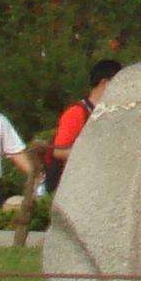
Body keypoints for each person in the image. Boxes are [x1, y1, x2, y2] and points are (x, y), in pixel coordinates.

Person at [46, 58, 120, 192]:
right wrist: (96, 153)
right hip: (72, 189)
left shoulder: (111, 112)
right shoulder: (77, 113)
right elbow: (59, 151)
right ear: (104, 82)